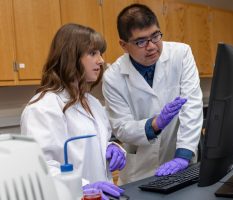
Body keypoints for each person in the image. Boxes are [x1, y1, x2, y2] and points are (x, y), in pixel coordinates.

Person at [21, 23, 125, 200]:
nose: (100, 60)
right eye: (93, 53)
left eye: (100, 53)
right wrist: (83, 187)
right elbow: (40, 168)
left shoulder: (93, 103)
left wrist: (113, 148)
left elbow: (98, 142)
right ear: (71, 57)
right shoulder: (42, 108)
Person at [102, 4, 203, 184]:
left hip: (179, 162)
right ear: (123, 45)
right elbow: (121, 127)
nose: (151, 47)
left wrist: (184, 153)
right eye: (141, 41)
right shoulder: (113, 77)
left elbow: (191, 106)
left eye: (155, 36)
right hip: (139, 171)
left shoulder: (181, 54)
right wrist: (153, 125)